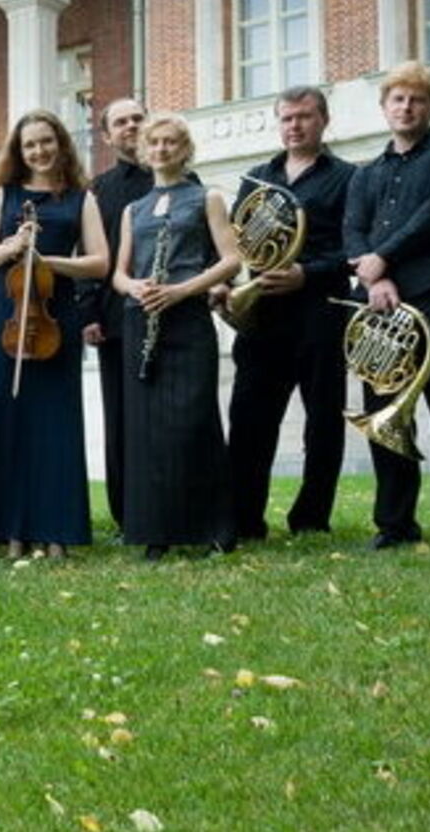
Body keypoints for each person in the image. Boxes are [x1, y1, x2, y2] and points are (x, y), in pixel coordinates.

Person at [343, 61, 430, 552]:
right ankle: (395, 524)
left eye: (417, 100)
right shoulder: (366, 175)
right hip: (380, 309)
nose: (407, 107)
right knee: (386, 415)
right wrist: (376, 276)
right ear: (385, 108)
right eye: (398, 99)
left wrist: (384, 258)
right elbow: (352, 231)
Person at [214, 86, 354, 538]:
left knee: (323, 422)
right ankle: (244, 519)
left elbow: (354, 250)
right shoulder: (257, 178)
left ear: (324, 120)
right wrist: (226, 283)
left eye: (304, 117)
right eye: (287, 118)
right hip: (264, 316)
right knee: (250, 420)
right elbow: (236, 245)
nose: (295, 126)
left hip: (321, 311)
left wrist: (307, 274)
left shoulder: (349, 177)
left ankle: (311, 519)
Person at [0, 111, 109, 559]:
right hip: (5, 318)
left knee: (55, 425)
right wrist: (13, 248)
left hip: (54, 315)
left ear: (61, 144)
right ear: (19, 150)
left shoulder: (81, 198)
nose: (39, 151)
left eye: (46, 142)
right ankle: (11, 531)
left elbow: (100, 262)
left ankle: (57, 531)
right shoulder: (2, 195)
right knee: (6, 421)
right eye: (30, 145)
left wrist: (49, 262)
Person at [111, 114, 242, 560]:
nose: (162, 150)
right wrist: (135, 288)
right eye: (155, 143)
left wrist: (183, 290)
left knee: (194, 423)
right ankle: (156, 532)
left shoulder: (207, 198)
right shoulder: (134, 210)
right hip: (140, 318)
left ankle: (214, 528)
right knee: (147, 431)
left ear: (184, 150)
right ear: (145, 152)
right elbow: (118, 273)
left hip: (186, 318)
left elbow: (231, 261)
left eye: (171, 143)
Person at [78, 98, 152, 533]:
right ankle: (127, 512)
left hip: (172, 314)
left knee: (162, 415)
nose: (131, 126)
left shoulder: (184, 178)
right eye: (121, 122)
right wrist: (88, 312)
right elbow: (89, 254)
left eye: (137, 118)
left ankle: (165, 505)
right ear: (106, 136)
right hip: (114, 318)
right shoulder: (98, 190)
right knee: (121, 418)